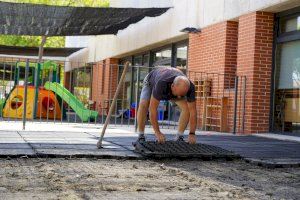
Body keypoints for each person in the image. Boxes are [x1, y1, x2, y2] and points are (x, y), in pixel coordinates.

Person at [137, 67, 197, 144]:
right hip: (151, 81)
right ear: (172, 86)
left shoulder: (190, 87)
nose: (179, 97)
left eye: (182, 95)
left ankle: (179, 136)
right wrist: (157, 132)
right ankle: (141, 135)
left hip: (170, 85)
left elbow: (193, 112)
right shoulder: (161, 83)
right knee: (144, 104)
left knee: (186, 108)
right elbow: (153, 109)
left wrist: (192, 133)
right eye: (178, 94)